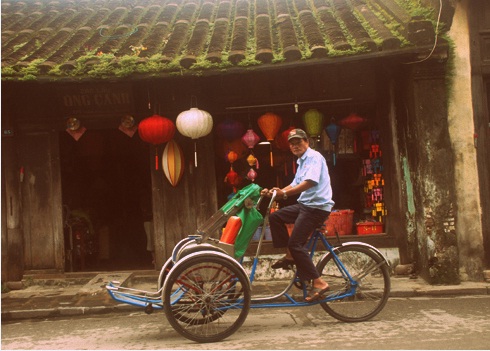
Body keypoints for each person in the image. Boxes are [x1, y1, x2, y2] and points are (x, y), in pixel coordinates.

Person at [260, 128, 334, 302]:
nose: (295, 146)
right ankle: (290, 255)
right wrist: (275, 192)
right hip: (305, 205)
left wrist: (285, 195)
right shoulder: (301, 161)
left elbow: (309, 183)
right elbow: (294, 183)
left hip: (316, 207)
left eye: (298, 142)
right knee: (275, 217)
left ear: (307, 142)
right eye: (292, 144)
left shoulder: (314, 157)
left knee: (296, 244)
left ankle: (319, 282)